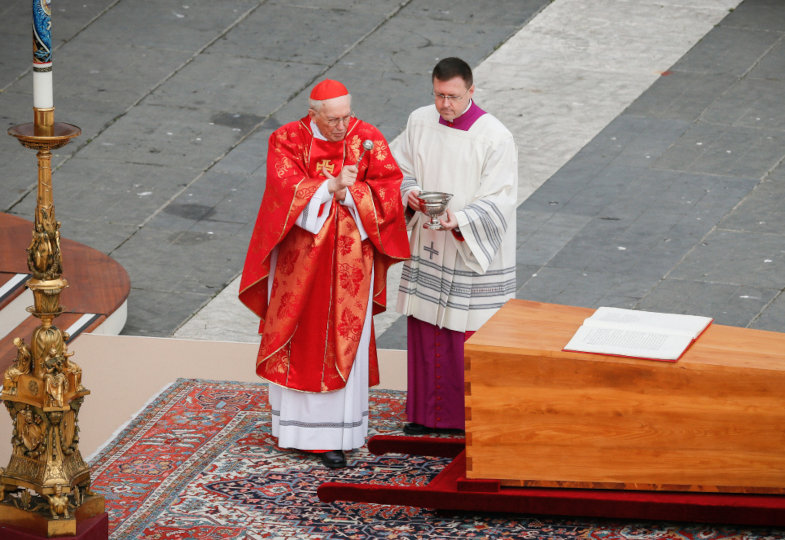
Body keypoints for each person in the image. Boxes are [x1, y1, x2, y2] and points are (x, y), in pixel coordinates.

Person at [239, 79, 409, 468]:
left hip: (352, 264)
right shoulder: (287, 140)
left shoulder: (367, 137)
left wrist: (352, 194)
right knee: (300, 337)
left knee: (343, 339)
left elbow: (388, 188)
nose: (341, 126)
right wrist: (328, 187)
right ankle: (298, 431)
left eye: (346, 116)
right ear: (313, 113)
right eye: (333, 119)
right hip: (300, 266)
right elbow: (282, 191)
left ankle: (340, 431)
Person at [390, 57, 518, 435]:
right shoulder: (420, 120)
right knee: (425, 326)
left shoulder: (495, 137)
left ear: (471, 91)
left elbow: (502, 197)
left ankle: (465, 420)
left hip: (466, 248)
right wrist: (410, 193)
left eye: (453, 96)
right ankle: (424, 415)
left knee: (462, 335)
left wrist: (460, 220)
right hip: (428, 241)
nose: (445, 105)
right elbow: (399, 167)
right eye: (439, 95)